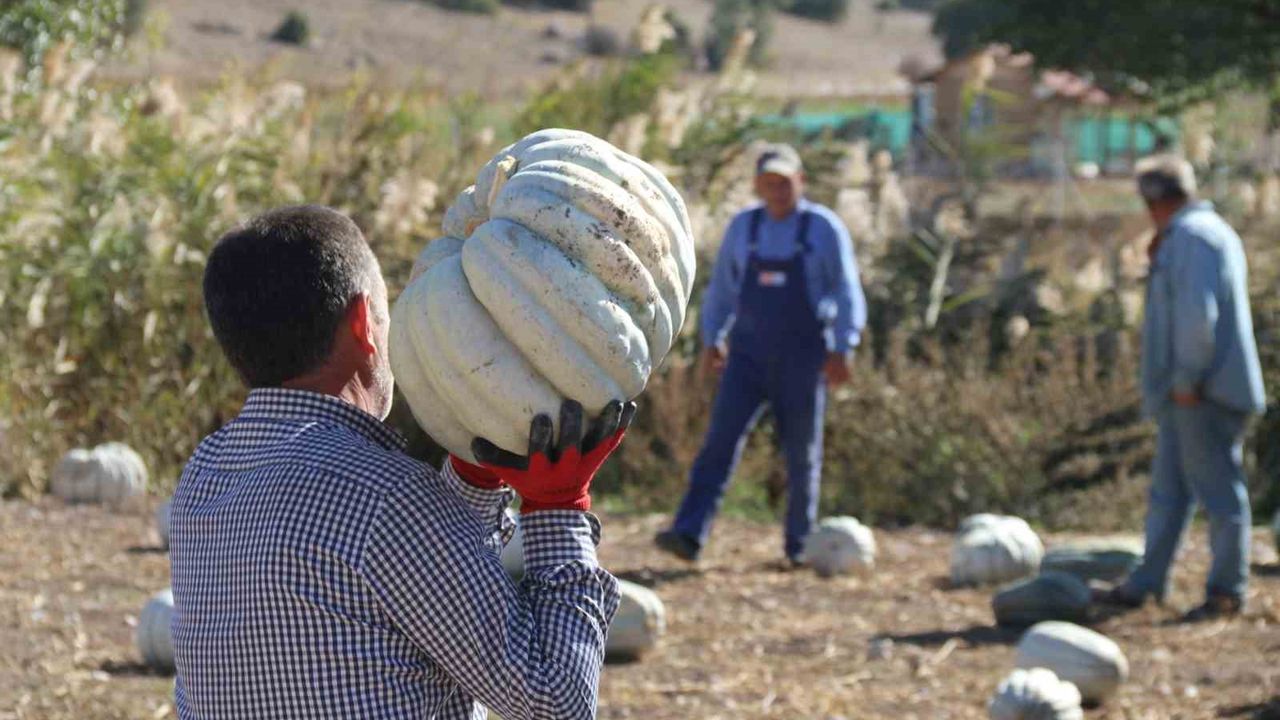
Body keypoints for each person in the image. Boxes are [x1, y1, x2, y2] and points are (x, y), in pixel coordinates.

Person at [171, 205, 633, 719]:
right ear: (365, 322)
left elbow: (390, 596)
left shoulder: (205, 476)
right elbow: (558, 704)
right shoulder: (387, 499)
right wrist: (559, 508)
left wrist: (471, 480)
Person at [654, 144, 867, 565]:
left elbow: (846, 290)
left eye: (784, 182)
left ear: (800, 181)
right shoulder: (743, 229)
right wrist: (711, 337)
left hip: (804, 359)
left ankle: (799, 546)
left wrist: (844, 347)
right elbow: (722, 292)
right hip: (747, 359)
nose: (777, 190)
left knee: (802, 454)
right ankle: (689, 533)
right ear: (757, 185)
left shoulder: (823, 228)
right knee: (719, 444)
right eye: (769, 182)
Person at [1097, 156, 1266, 620]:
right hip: (1186, 393)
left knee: (1219, 493)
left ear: (1154, 201)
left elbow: (1197, 318)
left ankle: (1227, 592)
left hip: (1203, 392)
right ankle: (1147, 582)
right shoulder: (1195, 234)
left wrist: (1188, 380)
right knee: (1168, 492)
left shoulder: (1194, 238)